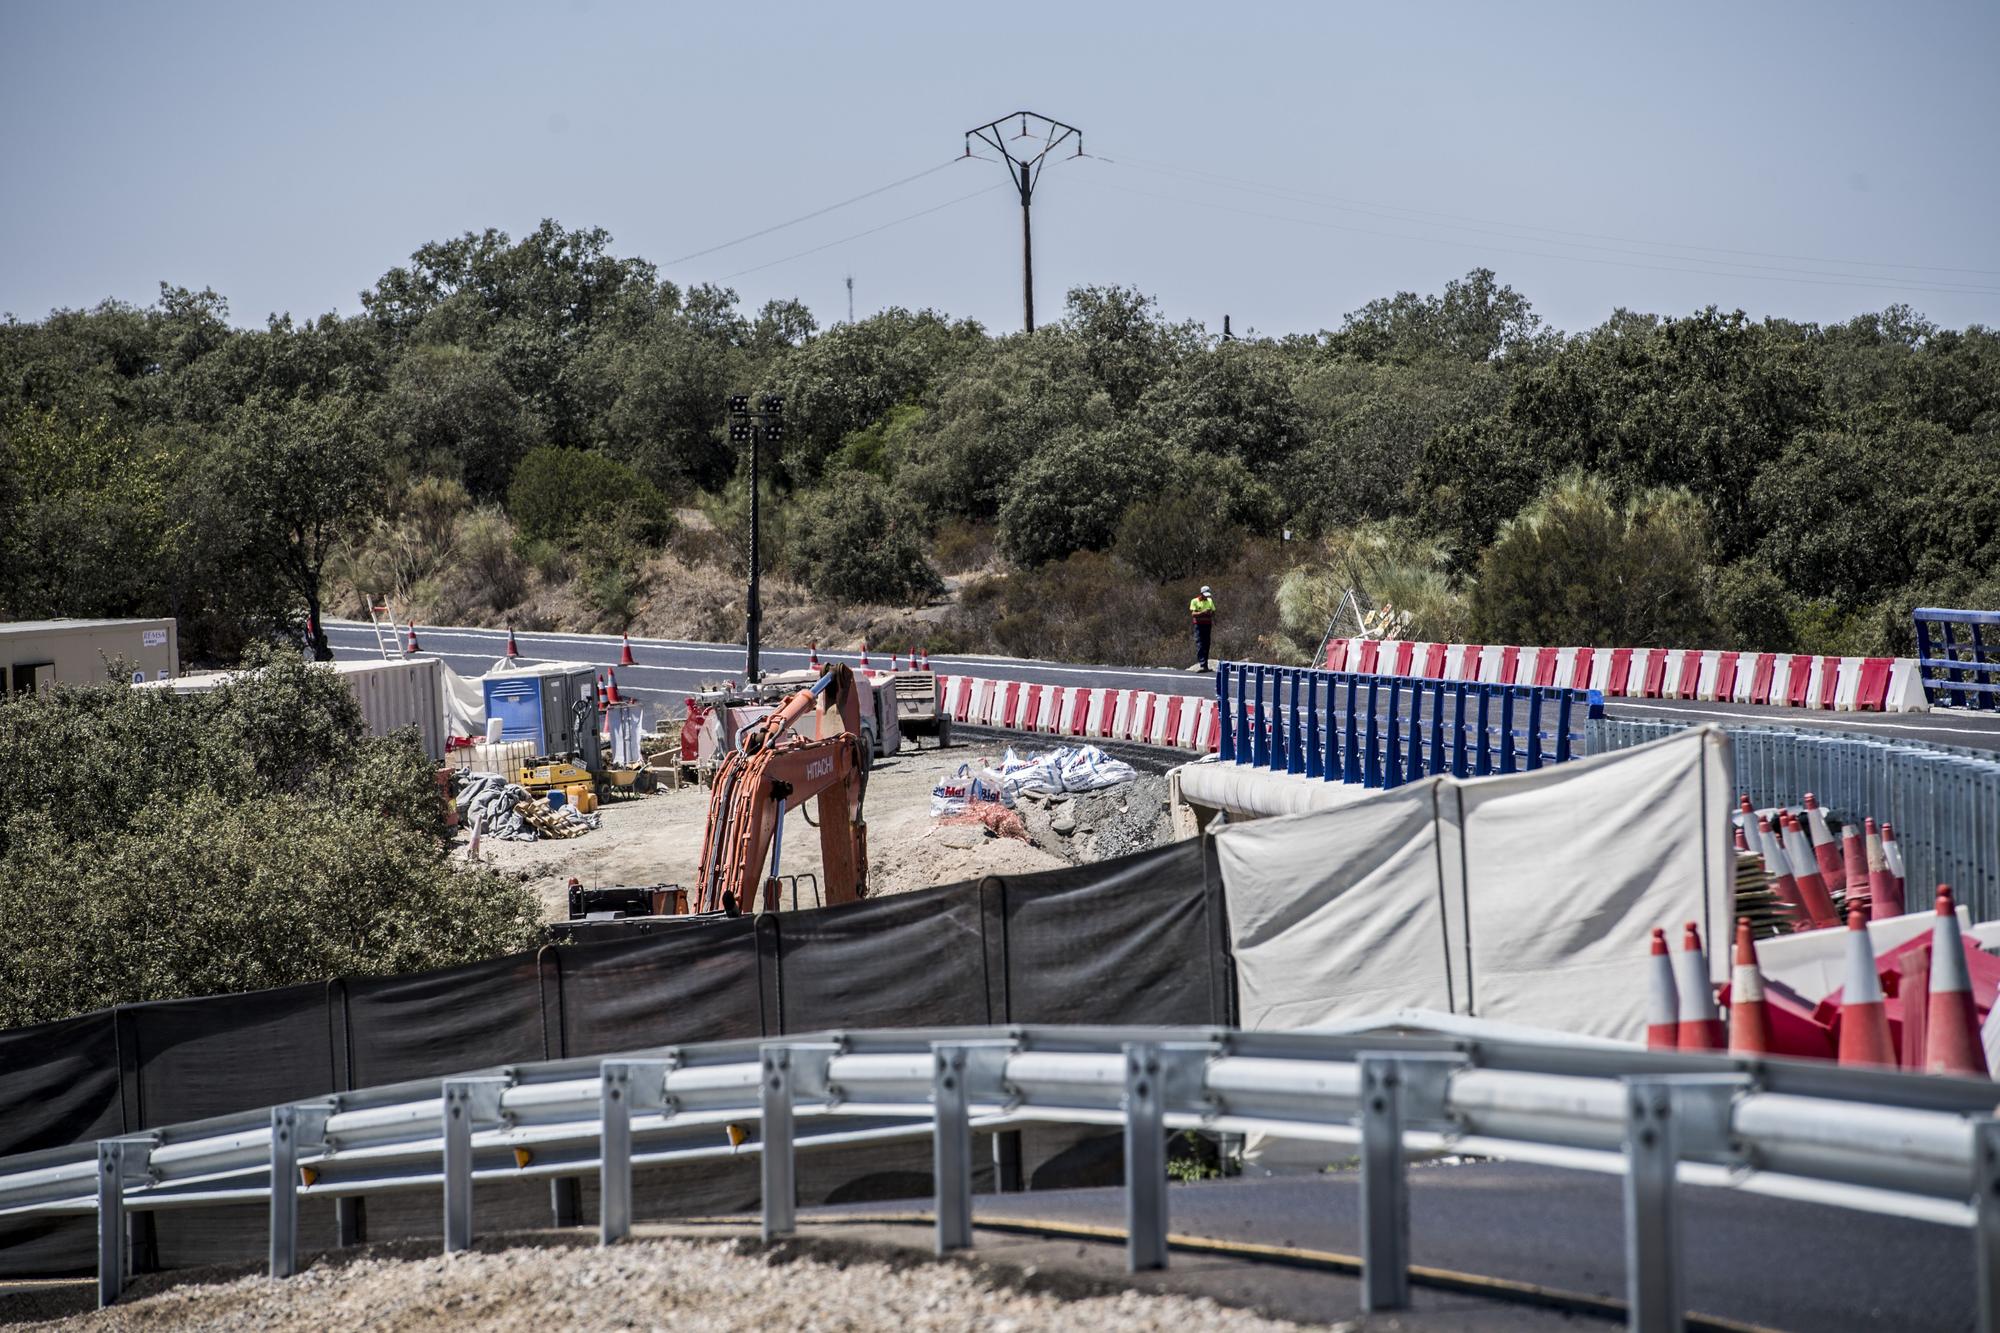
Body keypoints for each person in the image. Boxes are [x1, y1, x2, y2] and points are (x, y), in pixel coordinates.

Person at [1189, 585, 1216, 671]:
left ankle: (1205, 665)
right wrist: (1203, 613)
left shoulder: (1210, 601)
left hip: (1207, 624)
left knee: (1207, 644)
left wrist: (1210, 613)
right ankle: (1202, 664)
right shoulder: (1195, 601)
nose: (1206, 596)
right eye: (1205, 595)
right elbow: (1193, 614)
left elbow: (1213, 611)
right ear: (1201, 593)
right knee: (1200, 644)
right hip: (1199, 625)